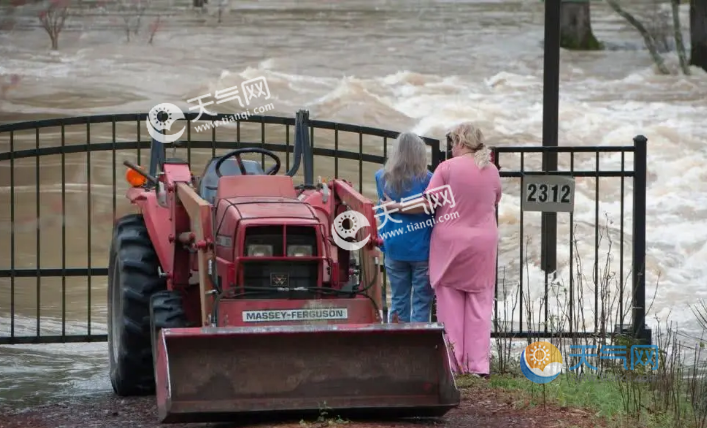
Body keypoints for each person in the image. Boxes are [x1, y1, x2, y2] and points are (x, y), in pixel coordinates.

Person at [381, 122, 501, 377]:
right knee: (480, 304)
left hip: (451, 245)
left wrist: (397, 207)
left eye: (452, 144)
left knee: (450, 302)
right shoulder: (491, 170)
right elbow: (495, 199)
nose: (451, 149)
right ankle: (478, 366)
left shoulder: (447, 168)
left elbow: (427, 203)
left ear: (460, 142)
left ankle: (453, 364)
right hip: (483, 244)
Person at [374, 132, 434, 323]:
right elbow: (430, 207)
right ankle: (418, 344)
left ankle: (397, 342)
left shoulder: (381, 177)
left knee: (398, 300)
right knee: (422, 302)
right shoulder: (429, 179)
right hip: (422, 249)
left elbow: (386, 207)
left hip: (394, 245)